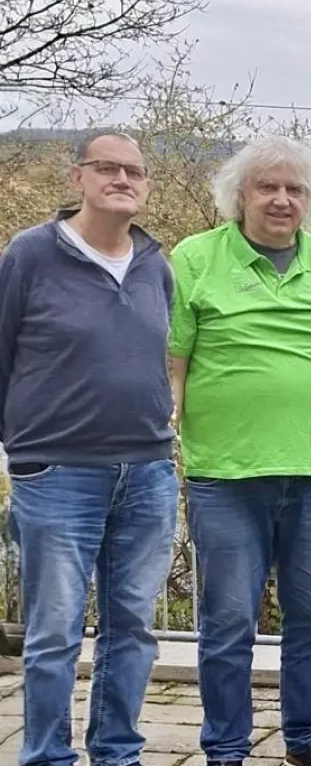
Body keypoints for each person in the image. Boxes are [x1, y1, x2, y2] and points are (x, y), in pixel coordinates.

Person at [169, 135, 311, 766]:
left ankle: (309, 739)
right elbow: (172, 362)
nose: (282, 199)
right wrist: (164, 438)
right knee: (230, 623)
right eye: (268, 187)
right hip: (224, 477)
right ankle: (227, 747)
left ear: (310, 201)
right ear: (240, 196)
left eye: (295, 189)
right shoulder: (196, 259)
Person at [1, 132, 179, 766]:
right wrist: (15, 453)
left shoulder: (157, 263)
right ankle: (46, 756)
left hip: (149, 471)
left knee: (132, 628)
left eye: (134, 170)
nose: (122, 179)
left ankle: (117, 753)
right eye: (107, 167)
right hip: (57, 471)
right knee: (54, 633)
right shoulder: (29, 255)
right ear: (77, 178)